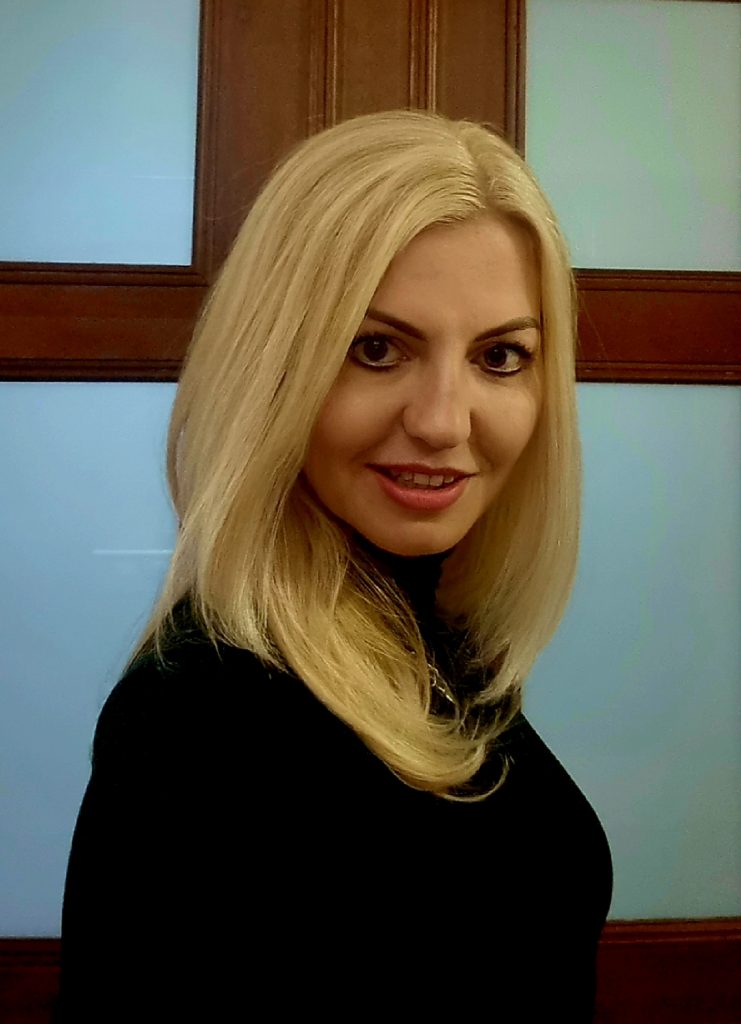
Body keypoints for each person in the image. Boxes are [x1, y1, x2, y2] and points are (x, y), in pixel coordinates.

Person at [57, 110, 612, 1021]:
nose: (442, 421)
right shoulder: (199, 719)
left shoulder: (436, 647)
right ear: (273, 366)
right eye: (376, 348)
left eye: (499, 356)